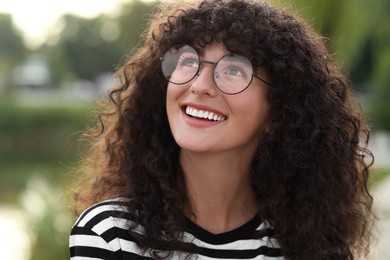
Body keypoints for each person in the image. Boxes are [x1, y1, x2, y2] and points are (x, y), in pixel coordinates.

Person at [69, 0, 375, 259]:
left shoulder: (314, 248)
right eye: (189, 61)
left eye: (233, 69)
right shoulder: (110, 235)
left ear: (278, 113)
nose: (199, 86)